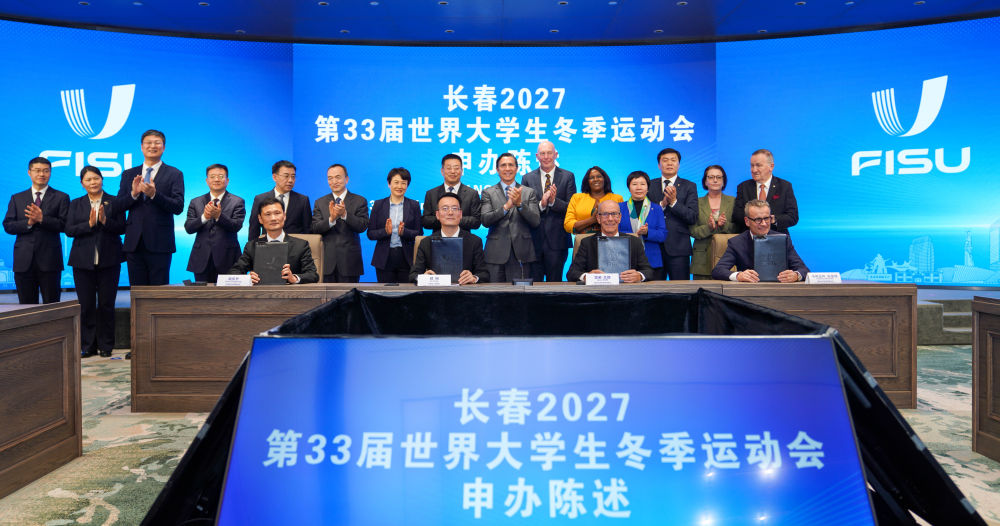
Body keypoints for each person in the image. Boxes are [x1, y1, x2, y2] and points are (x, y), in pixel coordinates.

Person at [65, 166, 124, 357]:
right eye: (88, 180)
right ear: (82, 183)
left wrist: (105, 221)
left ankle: (106, 346)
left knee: (107, 304)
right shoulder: (75, 204)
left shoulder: (115, 201)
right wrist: (89, 224)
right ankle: (87, 345)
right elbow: (69, 230)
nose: (93, 182)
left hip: (110, 260)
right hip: (82, 261)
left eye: (96, 178)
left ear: (102, 179)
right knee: (86, 305)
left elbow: (122, 228)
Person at [116, 129, 184, 286]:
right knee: (137, 291)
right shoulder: (128, 174)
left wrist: (154, 194)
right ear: (141, 147)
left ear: (163, 147)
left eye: (157, 143)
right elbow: (118, 206)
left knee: (158, 292)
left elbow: (178, 206)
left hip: (160, 242)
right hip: (134, 242)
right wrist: (133, 194)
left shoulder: (175, 174)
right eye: (148, 143)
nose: (152, 146)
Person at [3, 157, 69, 303]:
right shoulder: (17, 198)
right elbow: (8, 225)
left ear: (50, 173)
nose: (41, 174)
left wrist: (42, 219)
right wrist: (28, 223)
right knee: (27, 307)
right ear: (29, 172)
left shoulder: (61, 197)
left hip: (50, 260)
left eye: (46, 171)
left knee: (52, 305)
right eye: (37, 170)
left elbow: (65, 225)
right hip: (23, 261)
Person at [712, 199, 809, 282]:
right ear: (747, 221)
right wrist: (738, 276)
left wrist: (796, 275)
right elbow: (718, 270)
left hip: (779, 290)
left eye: (766, 218)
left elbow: (804, 270)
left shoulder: (783, 240)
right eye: (758, 220)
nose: (763, 224)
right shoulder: (737, 242)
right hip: (749, 291)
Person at [230, 197, 318, 284]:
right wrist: (247, 278)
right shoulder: (251, 246)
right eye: (268, 214)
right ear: (260, 219)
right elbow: (234, 271)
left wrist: (294, 278)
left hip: (290, 292)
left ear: (284, 216)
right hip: (261, 292)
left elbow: (312, 275)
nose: (273, 218)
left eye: (277, 213)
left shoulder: (300, 245)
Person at [480, 153, 540, 282]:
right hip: (495, 253)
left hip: (522, 253)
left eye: (511, 165)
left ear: (517, 168)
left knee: (520, 293)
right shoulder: (488, 192)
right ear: (497, 170)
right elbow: (485, 220)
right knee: (493, 293)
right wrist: (505, 207)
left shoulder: (528, 192)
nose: (507, 169)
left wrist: (520, 204)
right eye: (503, 165)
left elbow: (535, 221)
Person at [522, 140, 575, 282]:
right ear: (537, 156)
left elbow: (571, 207)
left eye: (549, 153)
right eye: (542, 153)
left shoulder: (568, 176)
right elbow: (525, 209)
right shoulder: (527, 178)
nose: (546, 157)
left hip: (558, 240)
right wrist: (542, 204)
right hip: (534, 240)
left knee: (555, 284)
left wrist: (553, 202)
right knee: (534, 285)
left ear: (556, 154)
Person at [184, 164, 245, 283]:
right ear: (207, 181)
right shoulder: (196, 202)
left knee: (228, 294)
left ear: (227, 180)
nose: (216, 179)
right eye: (212, 176)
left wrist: (218, 216)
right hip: (201, 258)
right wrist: (204, 217)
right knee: (203, 294)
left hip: (228, 258)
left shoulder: (237, 201)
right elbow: (189, 228)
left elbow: (236, 226)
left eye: (221, 176)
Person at [410, 193, 489, 285]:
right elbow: (413, 275)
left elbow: (484, 274)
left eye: (454, 208)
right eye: (445, 208)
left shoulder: (474, 241)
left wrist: (474, 278)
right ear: (437, 215)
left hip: (464, 291)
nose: (450, 213)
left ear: (460, 214)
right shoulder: (426, 242)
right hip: (435, 291)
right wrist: (424, 277)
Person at [566, 200, 653, 283]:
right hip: (597, 291)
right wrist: (587, 276)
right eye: (605, 214)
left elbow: (648, 271)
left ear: (619, 218)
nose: (610, 219)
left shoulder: (634, 242)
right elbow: (572, 273)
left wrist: (639, 276)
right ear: (598, 218)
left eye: (614, 214)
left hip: (626, 290)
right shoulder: (587, 243)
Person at [311, 163, 369, 283]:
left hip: (350, 262)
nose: (334, 181)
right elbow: (314, 228)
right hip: (326, 262)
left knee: (350, 295)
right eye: (330, 178)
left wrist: (344, 215)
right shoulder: (320, 202)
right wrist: (331, 219)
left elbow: (362, 226)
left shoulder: (359, 201)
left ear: (346, 179)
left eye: (338, 177)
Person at [646, 147, 698, 280]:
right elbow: (644, 214)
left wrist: (674, 202)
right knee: (653, 288)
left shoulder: (689, 186)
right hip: (654, 246)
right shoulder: (649, 185)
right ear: (659, 165)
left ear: (678, 164)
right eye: (665, 160)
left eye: (673, 160)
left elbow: (692, 217)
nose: (669, 163)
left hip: (679, 247)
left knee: (681, 289)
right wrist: (662, 204)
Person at [367, 167, 422, 283]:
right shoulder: (378, 205)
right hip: (384, 258)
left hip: (406, 257)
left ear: (407, 185)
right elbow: (370, 234)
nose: (399, 186)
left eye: (403, 183)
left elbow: (419, 233)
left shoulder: (414, 205)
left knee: (406, 292)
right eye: (396, 182)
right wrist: (385, 232)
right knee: (385, 293)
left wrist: (404, 232)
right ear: (389, 184)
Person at [732, 149, 798, 235]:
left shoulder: (784, 186)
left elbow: (793, 217)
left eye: (758, 165)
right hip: (749, 238)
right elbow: (737, 216)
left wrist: (773, 220)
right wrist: (754, 220)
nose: (754, 170)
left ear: (771, 166)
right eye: (752, 165)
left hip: (776, 237)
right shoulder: (743, 187)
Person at [617, 171, 667, 280]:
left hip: (651, 260)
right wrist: (632, 235)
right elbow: (613, 233)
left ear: (648, 188)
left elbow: (663, 235)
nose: (639, 187)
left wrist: (648, 232)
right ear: (629, 188)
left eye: (642, 184)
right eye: (634, 184)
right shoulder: (619, 208)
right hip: (625, 258)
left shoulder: (656, 208)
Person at [690, 165, 737, 280]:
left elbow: (739, 228)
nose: (715, 180)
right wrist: (709, 227)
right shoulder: (696, 202)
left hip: (727, 257)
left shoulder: (733, 201)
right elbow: (692, 231)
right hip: (702, 258)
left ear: (723, 181)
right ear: (705, 181)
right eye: (711, 177)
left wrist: (724, 225)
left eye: (718, 177)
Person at [248, 160, 311, 241]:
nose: (290, 180)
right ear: (274, 177)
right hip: (268, 245)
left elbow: (307, 229)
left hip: (295, 246)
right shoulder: (260, 199)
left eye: (293, 176)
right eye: (286, 176)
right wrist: (252, 247)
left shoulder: (303, 200)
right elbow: (254, 228)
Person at [421, 153, 482, 232]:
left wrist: (455, 219)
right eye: (449, 168)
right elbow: (425, 221)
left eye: (456, 168)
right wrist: (445, 219)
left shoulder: (472, 194)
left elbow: (476, 221)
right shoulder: (431, 194)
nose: (453, 171)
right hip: (438, 238)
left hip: (464, 238)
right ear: (442, 171)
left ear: (462, 171)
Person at [563, 166, 623, 235]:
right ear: (587, 181)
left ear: (605, 179)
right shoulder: (577, 198)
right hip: (582, 240)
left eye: (599, 176)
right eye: (591, 178)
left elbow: (622, 223)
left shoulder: (617, 199)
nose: (595, 179)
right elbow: (568, 225)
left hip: (611, 240)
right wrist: (592, 220)